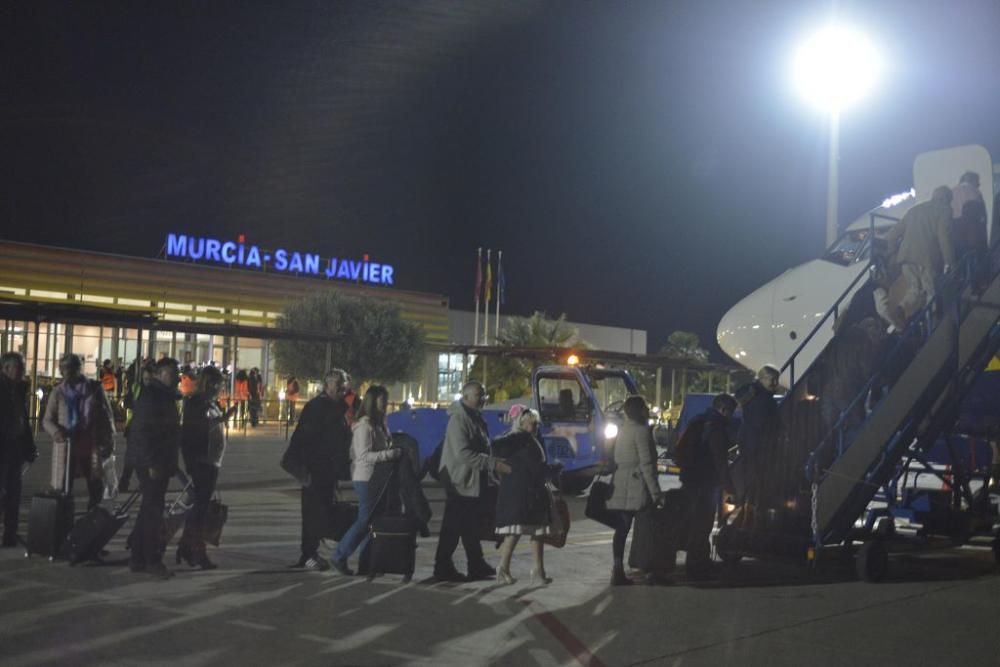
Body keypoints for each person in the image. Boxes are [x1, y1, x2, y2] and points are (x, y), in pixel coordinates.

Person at [434, 381, 511, 582]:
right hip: (460, 481)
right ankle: (442, 567)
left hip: (470, 480)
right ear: (466, 397)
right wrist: (493, 464)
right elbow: (464, 455)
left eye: (484, 395)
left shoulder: (474, 417)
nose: (483, 398)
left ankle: (475, 564)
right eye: (479, 395)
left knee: (468, 525)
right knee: (453, 527)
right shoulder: (459, 420)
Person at [330, 385, 403, 575]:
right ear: (372, 402)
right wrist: (390, 454)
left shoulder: (380, 424)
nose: (386, 404)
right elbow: (363, 456)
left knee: (374, 521)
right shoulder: (364, 426)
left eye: (386, 400)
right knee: (365, 520)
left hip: (378, 477)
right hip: (366, 477)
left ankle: (367, 562)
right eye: (382, 400)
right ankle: (339, 555)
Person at [128, 357, 182, 579]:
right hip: (152, 462)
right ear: (159, 374)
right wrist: (151, 463)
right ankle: (152, 560)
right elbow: (143, 432)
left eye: (176, 373)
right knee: (153, 512)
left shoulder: (164, 396)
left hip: (158, 460)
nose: (176, 377)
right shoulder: (153, 396)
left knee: (148, 510)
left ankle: (138, 558)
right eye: (171, 373)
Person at [293, 368, 352, 571]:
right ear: (328, 385)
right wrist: (306, 469)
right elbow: (305, 439)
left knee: (322, 511)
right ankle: (308, 554)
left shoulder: (337, 408)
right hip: (314, 470)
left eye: (345, 384)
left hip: (327, 470)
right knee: (312, 513)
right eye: (339, 384)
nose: (343, 388)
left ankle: (313, 551)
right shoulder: (318, 407)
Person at [177, 365, 234, 570]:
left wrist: (222, 418)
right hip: (202, 462)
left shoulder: (208, 402)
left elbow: (208, 424)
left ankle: (187, 546)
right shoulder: (196, 402)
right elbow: (193, 432)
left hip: (211, 461)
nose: (219, 388)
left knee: (200, 507)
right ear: (208, 383)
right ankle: (195, 551)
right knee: (200, 509)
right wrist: (193, 463)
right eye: (217, 384)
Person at [42, 353, 115, 510]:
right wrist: (55, 432)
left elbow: (106, 416)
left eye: (73, 367)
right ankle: (64, 521)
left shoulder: (94, 388)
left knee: (95, 486)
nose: (69, 371)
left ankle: (91, 521)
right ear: (61, 371)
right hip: (67, 446)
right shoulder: (58, 392)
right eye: (65, 368)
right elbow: (47, 420)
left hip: (91, 444)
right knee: (63, 487)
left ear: (79, 369)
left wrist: (108, 440)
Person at [493, 405, 554, 586]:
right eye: (532, 423)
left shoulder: (521, 439)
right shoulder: (523, 440)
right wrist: (553, 470)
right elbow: (534, 467)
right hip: (524, 493)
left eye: (536, 424)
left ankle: (534, 569)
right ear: (522, 422)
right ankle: (510, 568)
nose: (535, 426)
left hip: (524, 492)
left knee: (530, 531)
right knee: (524, 531)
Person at [606, 395, 663, 586]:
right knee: (648, 526)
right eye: (645, 407)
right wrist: (656, 493)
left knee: (621, 529)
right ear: (639, 410)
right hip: (637, 486)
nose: (647, 410)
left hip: (621, 483)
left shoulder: (623, 430)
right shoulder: (641, 431)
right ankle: (647, 568)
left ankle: (617, 569)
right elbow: (647, 464)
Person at [680, 393, 737, 581]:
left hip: (690, 479)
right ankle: (697, 566)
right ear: (723, 409)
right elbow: (720, 461)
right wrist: (730, 487)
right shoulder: (716, 428)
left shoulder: (699, 421)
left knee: (696, 524)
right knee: (702, 525)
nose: (731, 416)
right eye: (731, 411)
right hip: (705, 482)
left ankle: (698, 561)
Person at [883, 185, 956, 327]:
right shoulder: (944, 210)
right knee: (931, 292)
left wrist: (892, 253)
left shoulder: (915, 210)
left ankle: (901, 309)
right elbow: (944, 238)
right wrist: (950, 262)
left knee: (914, 289)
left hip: (906, 257)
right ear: (946, 199)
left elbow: (891, 235)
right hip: (926, 258)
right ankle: (932, 324)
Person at [0, 352, 38, 547]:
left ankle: (10, 535)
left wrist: (30, 447)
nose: (23, 371)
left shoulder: (19, 389)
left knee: (14, 493)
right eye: (19, 367)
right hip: (3, 447)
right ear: (6, 368)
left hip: (15, 447)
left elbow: (23, 420)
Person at [734, 366, 780, 503]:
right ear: (763, 379)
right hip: (759, 445)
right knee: (759, 479)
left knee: (751, 478)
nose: (775, 383)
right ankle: (753, 508)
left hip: (749, 442)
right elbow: (764, 423)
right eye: (773, 380)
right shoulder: (764, 400)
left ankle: (749, 507)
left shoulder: (753, 395)